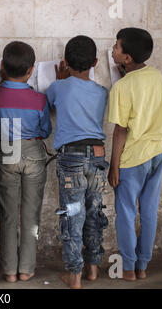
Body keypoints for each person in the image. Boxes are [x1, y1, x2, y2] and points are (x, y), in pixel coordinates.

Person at [0, 41, 51, 283]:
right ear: (31, 70)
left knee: (8, 214)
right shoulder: (40, 100)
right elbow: (45, 131)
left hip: (5, 152)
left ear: (2, 66)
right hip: (33, 152)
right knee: (31, 214)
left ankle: (9, 270)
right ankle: (27, 269)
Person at [46, 35, 109, 289]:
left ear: (65, 62)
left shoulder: (58, 86)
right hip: (97, 155)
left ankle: (74, 275)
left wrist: (61, 81)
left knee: (72, 215)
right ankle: (93, 267)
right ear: (95, 62)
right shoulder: (102, 92)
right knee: (94, 212)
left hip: (71, 156)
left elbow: (51, 103)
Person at [108, 27, 162, 282]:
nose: (112, 50)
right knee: (149, 211)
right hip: (158, 152)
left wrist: (114, 167)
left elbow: (120, 131)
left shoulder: (121, 87)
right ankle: (143, 266)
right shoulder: (156, 76)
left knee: (125, 212)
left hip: (133, 158)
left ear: (127, 58)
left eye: (117, 47)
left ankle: (129, 269)